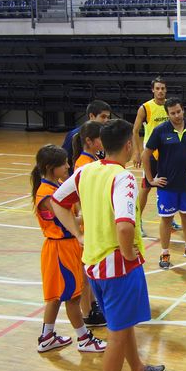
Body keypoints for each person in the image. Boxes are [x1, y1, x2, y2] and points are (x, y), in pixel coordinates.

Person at [52, 119, 166, 371]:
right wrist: (128, 256)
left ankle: (138, 369)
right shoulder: (123, 178)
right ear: (129, 144)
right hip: (118, 268)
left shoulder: (86, 171)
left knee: (121, 323)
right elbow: (125, 226)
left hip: (93, 265)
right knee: (117, 332)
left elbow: (57, 201)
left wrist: (78, 235)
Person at [31, 144, 106, 354]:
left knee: (56, 296)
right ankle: (84, 338)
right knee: (73, 297)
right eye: (63, 163)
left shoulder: (57, 185)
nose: (67, 166)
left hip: (67, 246)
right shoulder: (46, 194)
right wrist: (90, 213)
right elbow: (68, 220)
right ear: (49, 167)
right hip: (59, 248)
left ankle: (47, 337)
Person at [143, 98, 186, 269]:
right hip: (166, 186)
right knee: (166, 220)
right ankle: (165, 253)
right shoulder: (160, 131)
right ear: (167, 114)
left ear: (183, 110)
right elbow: (146, 155)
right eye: (172, 113)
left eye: (179, 111)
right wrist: (151, 180)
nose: (177, 115)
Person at [132, 76, 181, 236]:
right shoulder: (145, 108)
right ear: (153, 90)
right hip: (152, 154)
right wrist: (137, 152)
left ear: (166, 90)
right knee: (146, 189)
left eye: (163, 88)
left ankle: (170, 218)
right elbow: (135, 130)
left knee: (171, 187)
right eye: (157, 88)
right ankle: (136, 221)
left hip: (169, 154)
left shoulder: (170, 107)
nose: (160, 91)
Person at [72, 120, 108, 327]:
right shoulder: (84, 164)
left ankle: (92, 306)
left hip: (91, 221)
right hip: (88, 224)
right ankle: (87, 313)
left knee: (89, 270)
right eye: (100, 138)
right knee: (85, 273)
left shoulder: (92, 160)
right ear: (89, 141)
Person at [61, 100, 111, 174]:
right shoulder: (74, 135)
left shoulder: (106, 134)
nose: (106, 120)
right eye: (103, 117)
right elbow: (63, 161)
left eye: (108, 117)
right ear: (91, 116)